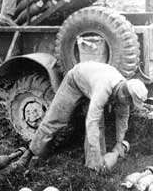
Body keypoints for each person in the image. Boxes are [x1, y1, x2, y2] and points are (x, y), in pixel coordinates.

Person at [16, 62, 148, 173]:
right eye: (130, 102)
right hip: (75, 81)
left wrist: (119, 143)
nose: (129, 106)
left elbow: (122, 119)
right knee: (56, 119)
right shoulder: (104, 88)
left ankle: (93, 166)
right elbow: (92, 122)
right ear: (124, 95)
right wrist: (97, 153)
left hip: (91, 84)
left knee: (100, 125)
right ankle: (31, 152)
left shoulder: (125, 94)